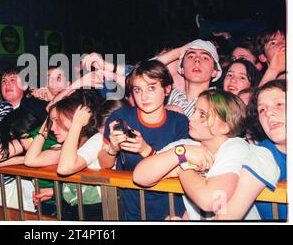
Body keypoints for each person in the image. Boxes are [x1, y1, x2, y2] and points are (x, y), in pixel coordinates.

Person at [133, 89, 256, 220]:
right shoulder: (187, 146)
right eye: (194, 111)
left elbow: (211, 201)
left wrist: (182, 167)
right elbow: (140, 176)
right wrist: (179, 153)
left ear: (225, 127)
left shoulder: (236, 146)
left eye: (202, 115)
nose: (191, 118)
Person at [98, 60, 188, 220]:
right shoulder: (121, 117)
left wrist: (145, 150)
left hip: (172, 210)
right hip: (133, 210)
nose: (144, 96)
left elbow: (182, 170)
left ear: (167, 89)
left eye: (151, 88)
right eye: (137, 90)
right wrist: (113, 148)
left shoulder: (180, 122)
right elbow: (104, 164)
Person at [24, 91, 105, 220]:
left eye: (57, 121)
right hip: (72, 211)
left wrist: (76, 124)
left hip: (96, 213)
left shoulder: (97, 140)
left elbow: (65, 168)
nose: (52, 127)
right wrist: (45, 126)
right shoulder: (67, 147)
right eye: (52, 122)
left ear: (73, 118)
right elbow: (30, 160)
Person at [216, 80, 286, 220]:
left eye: (279, 104)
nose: (269, 113)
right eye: (262, 110)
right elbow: (226, 217)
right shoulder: (263, 155)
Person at [157, 39, 222, 118]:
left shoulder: (219, 102)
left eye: (205, 58)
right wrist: (178, 52)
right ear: (182, 69)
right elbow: (142, 74)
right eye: (191, 56)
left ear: (215, 71)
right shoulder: (173, 96)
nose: (197, 60)